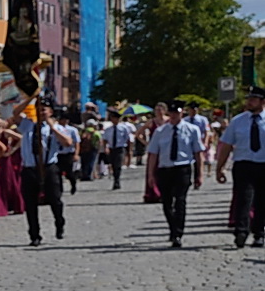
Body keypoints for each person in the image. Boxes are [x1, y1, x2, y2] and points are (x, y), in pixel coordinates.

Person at [14, 99, 76, 245]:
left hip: (49, 167)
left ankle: (59, 223)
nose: (41, 112)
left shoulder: (55, 128)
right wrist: (29, 99)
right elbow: (16, 112)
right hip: (30, 168)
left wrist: (53, 128)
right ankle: (34, 235)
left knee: (55, 200)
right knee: (30, 203)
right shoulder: (28, 125)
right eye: (38, 109)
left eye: (44, 109)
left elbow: (68, 142)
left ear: (50, 112)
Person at [144, 102, 202, 247]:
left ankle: (178, 233)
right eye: (172, 113)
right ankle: (172, 227)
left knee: (180, 200)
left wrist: (199, 174)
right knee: (166, 202)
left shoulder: (192, 130)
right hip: (165, 169)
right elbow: (153, 154)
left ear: (182, 113)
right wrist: (150, 174)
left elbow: (198, 153)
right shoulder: (160, 131)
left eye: (177, 113)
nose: (175, 115)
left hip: (182, 168)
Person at [215, 85, 265, 248]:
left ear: (262, 102)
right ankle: (241, 232)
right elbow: (227, 145)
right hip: (243, 165)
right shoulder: (238, 121)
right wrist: (220, 168)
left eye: (253, 99)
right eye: (248, 99)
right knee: (243, 198)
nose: (249, 102)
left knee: (261, 200)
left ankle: (259, 234)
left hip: (263, 164)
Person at [103, 109, 135, 190]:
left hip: (120, 148)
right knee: (113, 164)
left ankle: (117, 181)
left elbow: (128, 139)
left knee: (118, 165)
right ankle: (115, 178)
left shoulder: (123, 128)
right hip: (111, 148)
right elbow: (105, 139)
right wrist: (105, 148)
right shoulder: (108, 129)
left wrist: (129, 149)